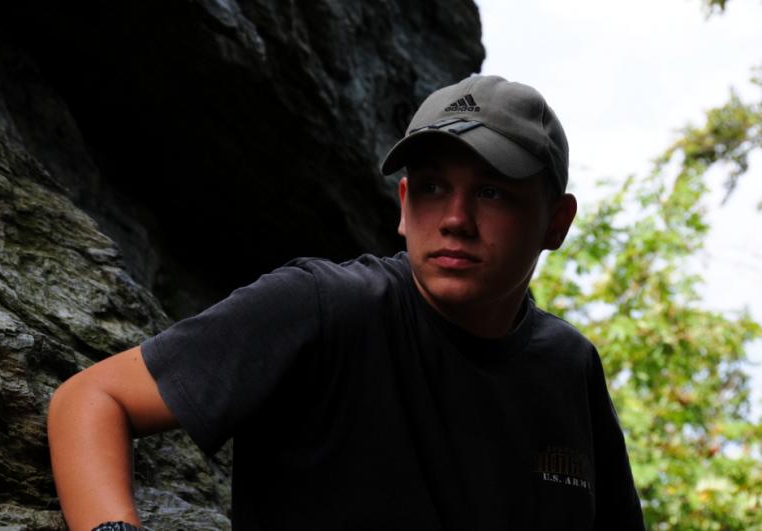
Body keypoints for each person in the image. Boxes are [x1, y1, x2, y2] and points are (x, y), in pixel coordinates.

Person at [47, 74, 646, 530]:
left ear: (556, 221)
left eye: (492, 192)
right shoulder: (321, 307)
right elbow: (90, 399)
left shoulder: (569, 366)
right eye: (433, 188)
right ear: (404, 205)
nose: (456, 219)